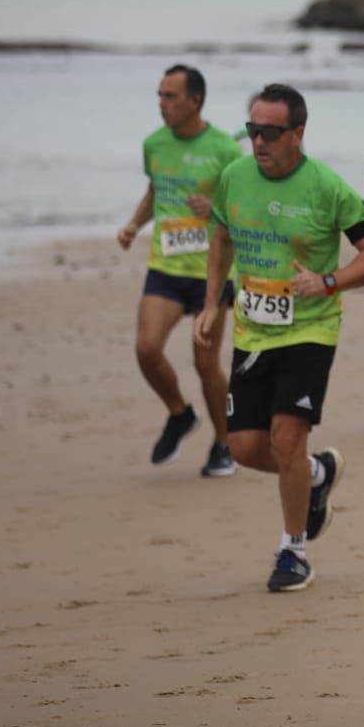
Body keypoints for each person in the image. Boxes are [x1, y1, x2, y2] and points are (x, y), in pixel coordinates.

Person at [197, 83, 364, 593]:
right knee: (242, 447)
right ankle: (316, 473)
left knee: (286, 437)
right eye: (252, 130)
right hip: (252, 329)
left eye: (269, 131)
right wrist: (210, 300)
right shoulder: (234, 177)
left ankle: (293, 551)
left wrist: (328, 281)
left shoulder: (328, 187)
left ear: (297, 134)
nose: (258, 140)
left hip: (310, 328)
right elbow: (219, 236)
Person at [116, 64, 243, 476]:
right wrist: (135, 224)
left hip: (212, 272)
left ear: (195, 101)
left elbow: (246, 208)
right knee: (146, 349)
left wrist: (218, 209)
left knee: (206, 365)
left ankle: (224, 443)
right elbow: (156, 190)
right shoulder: (154, 144)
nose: (162, 104)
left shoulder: (225, 149)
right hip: (166, 266)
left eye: (170, 96)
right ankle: (180, 413)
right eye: (159, 95)